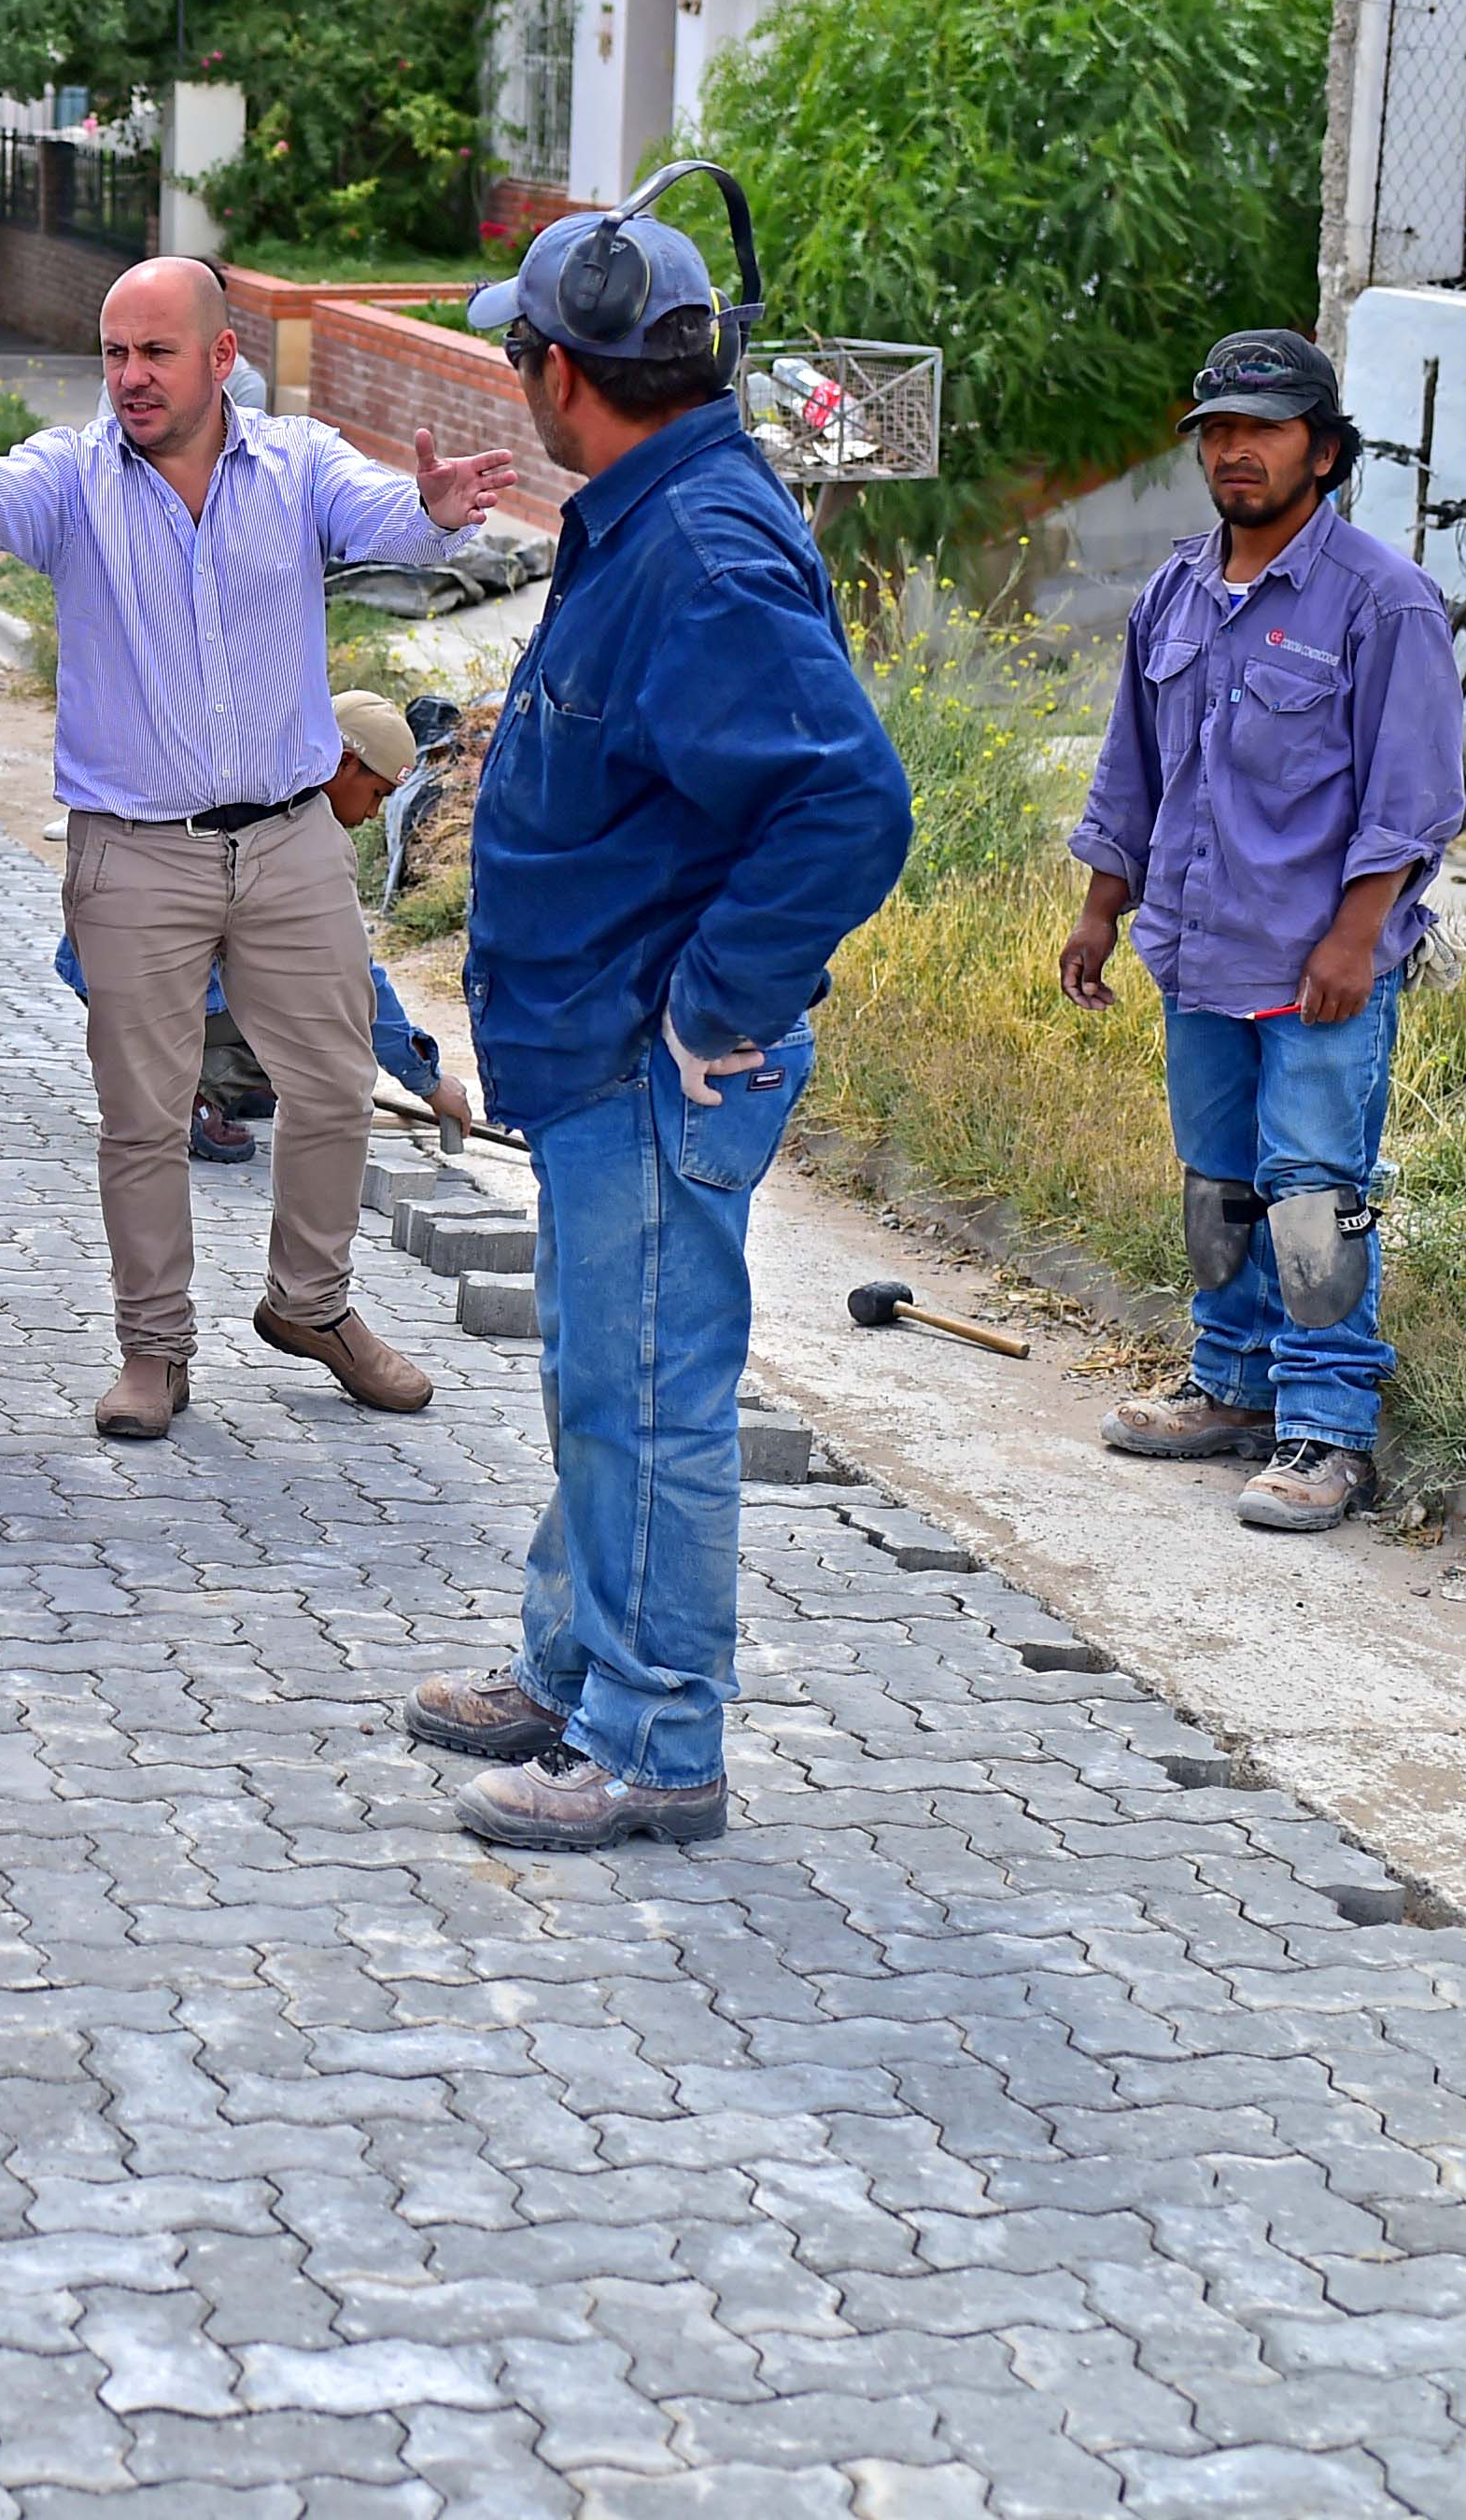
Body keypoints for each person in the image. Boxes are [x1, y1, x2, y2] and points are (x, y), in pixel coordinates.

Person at [404, 193, 910, 1854]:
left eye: (514, 350)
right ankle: (573, 1669)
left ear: (561, 371)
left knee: (641, 1393)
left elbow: (844, 806)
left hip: (648, 1055)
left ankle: (651, 1742)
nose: (510, 372)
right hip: (604, 1042)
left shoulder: (691, 545)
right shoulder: (647, 508)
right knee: (598, 1377)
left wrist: (715, 1005)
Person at [0, 256, 507, 1442]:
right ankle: (152, 1350)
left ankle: (311, 1304)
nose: (129, 378)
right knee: (142, 1119)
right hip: (135, 856)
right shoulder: (69, 479)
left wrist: (435, 511)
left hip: (293, 841)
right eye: (113, 353)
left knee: (337, 1087)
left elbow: (378, 514)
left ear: (219, 357)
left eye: (153, 353)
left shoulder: (294, 464)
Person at [1060, 328, 1460, 1534]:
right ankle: (1231, 1386)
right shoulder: (1178, 592)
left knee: (1313, 1193)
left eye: (1264, 432)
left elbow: (1413, 798)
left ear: (1323, 453)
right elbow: (1133, 766)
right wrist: (1099, 905)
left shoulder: (1383, 603)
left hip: (1319, 967)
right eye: (1218, 433)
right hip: (1195, 950)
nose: (1235, 454)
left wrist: (1356, 937)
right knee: (1219, 1185)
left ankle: (1331, 1431)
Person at [52, 689, 475, 1161]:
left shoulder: (255, 779)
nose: (374, 813)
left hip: (117, 970)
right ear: (344, 764)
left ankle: (205, 1075)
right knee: (322, 1036)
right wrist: (430, 1084)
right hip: (157, 985)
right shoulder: (282, 828)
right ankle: (190, 1096)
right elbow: (357, 986)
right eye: (377, 794)